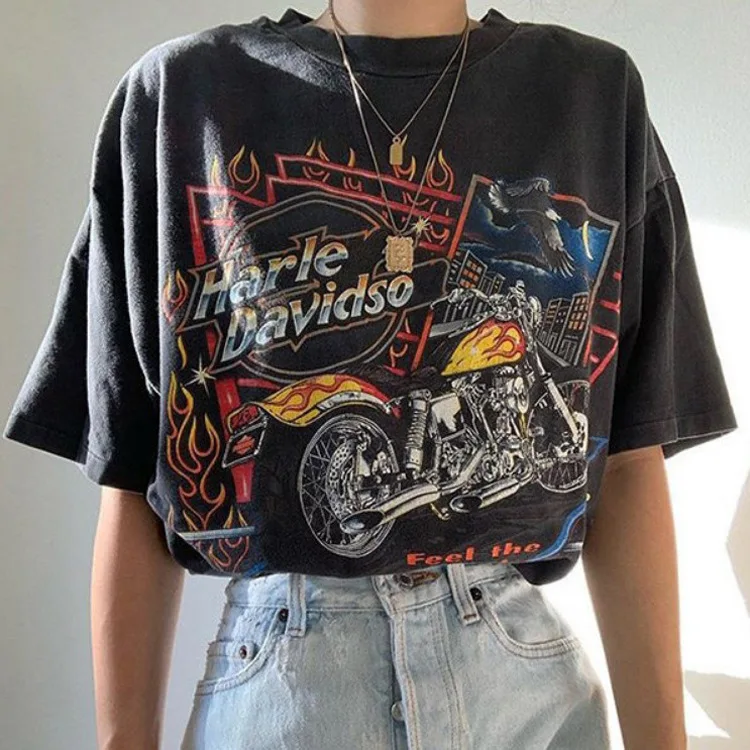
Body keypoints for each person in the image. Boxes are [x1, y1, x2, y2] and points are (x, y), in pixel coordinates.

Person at [2, 2, 738, 748]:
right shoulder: (180, 95)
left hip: (523, 685)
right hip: (283, 684)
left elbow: (629, 460)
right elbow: (134, 473)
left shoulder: (591, 89)